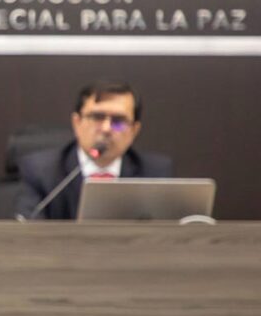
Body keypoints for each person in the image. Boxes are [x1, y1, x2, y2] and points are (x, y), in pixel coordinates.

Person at [15, 80, 172, 220]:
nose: (106, 128)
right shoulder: (41, 171)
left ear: (134, 130)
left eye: (118, 121)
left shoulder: (154, 173)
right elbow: (29, 234)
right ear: (77, 123)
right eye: (97, 117)